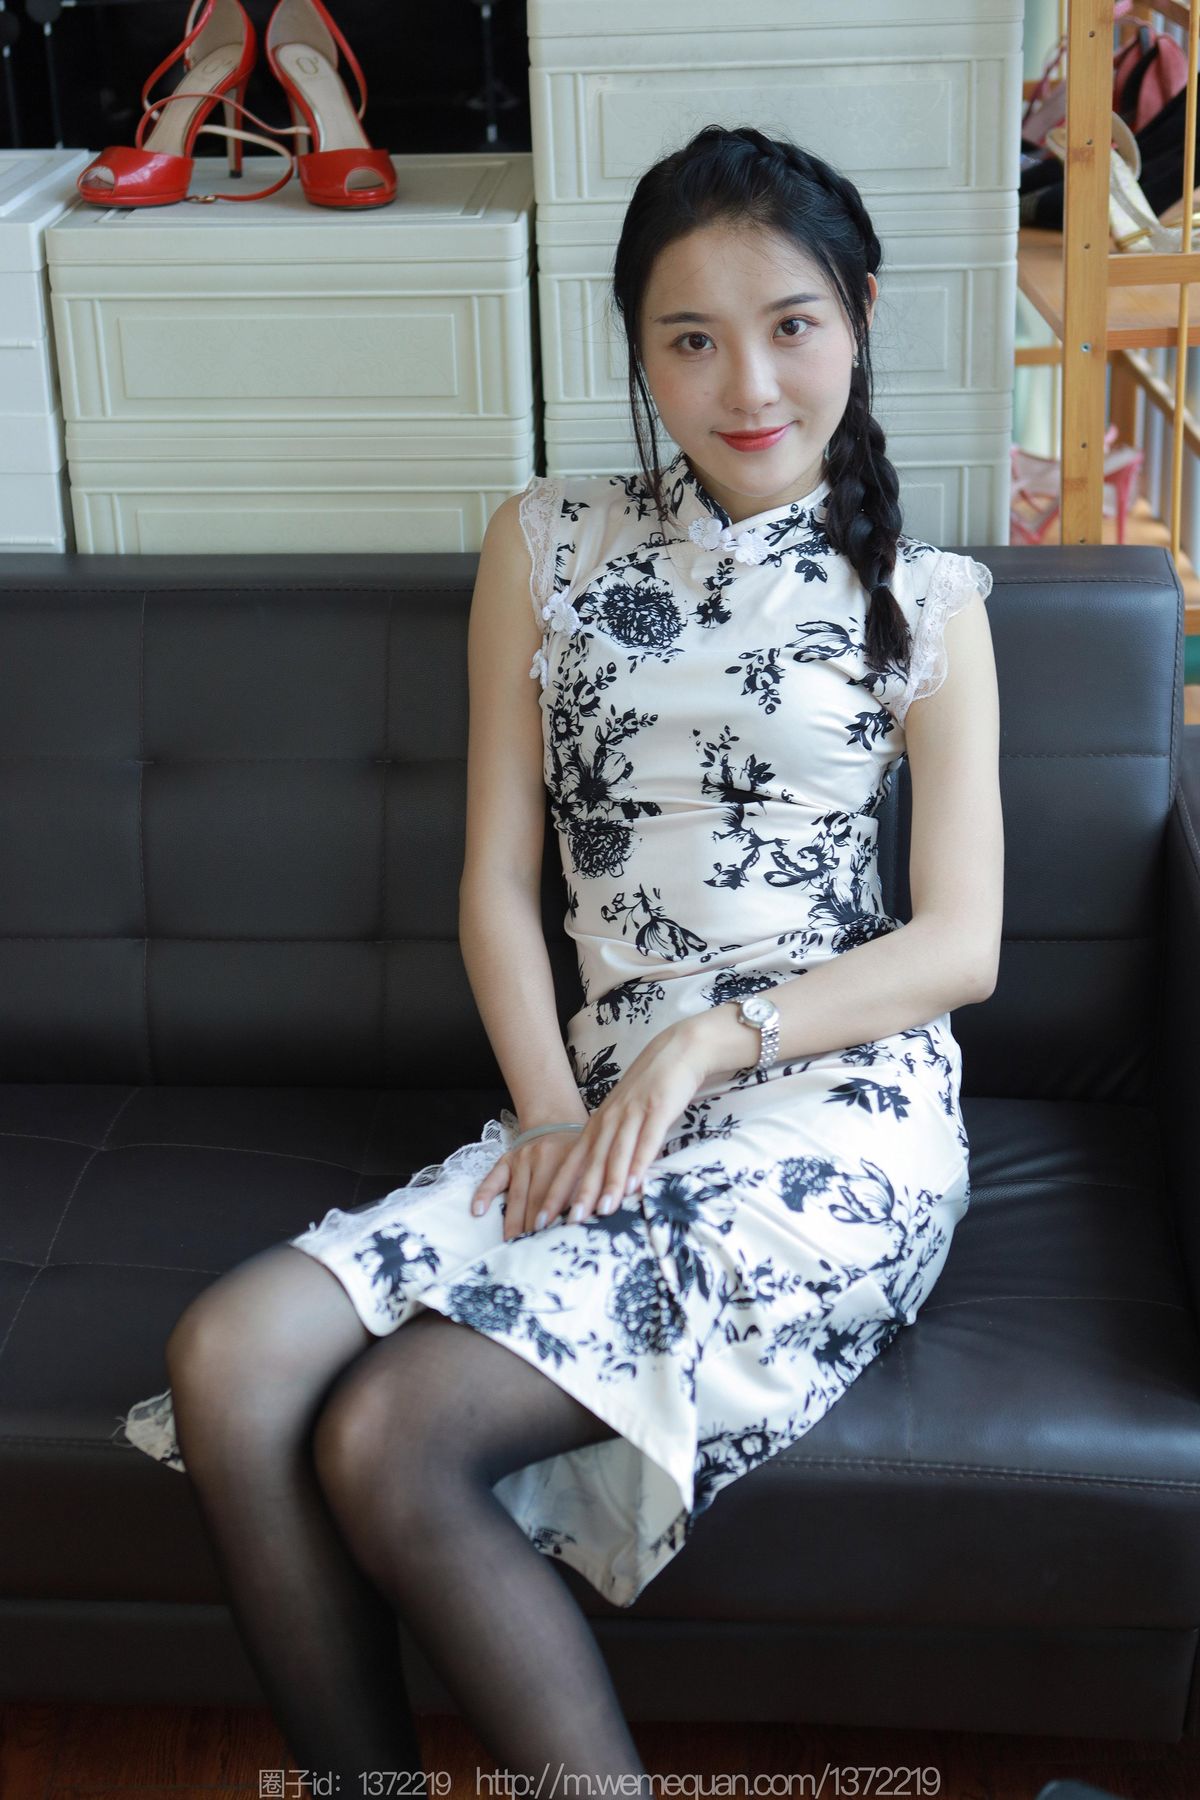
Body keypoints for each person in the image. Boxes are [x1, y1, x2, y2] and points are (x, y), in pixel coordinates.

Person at [114, 123, 1003, 1796]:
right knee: (232, 1360)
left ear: (862, 315)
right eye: (692, 338)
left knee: (392, 1431)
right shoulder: (546, 544)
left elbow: (962, 946)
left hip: (830, 1110)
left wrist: (707, 1044)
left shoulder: (931, 600)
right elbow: (494, 885)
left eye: (792, 324)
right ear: (639, 353)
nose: (748, 383)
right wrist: (546, 1112)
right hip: (589, 1103)